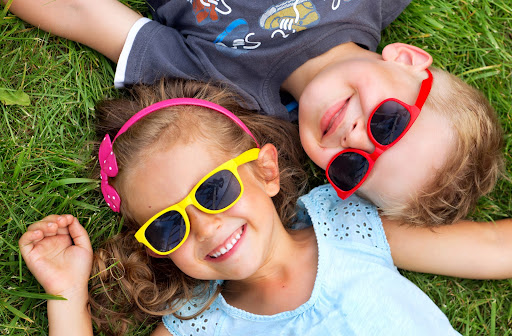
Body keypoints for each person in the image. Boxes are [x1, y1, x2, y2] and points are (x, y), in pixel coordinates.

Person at [18, 80, 512, 336]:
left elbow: (494, 247)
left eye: (212, 191)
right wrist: (67, 293)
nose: (206, 228)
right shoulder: (198, 323)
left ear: (266, 171)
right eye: (168, 227)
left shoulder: (345, 226)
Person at [3, 0, 504, 227]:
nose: (355, 138)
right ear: (409, 62)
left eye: (354, 167)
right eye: (387, 123)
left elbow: (86, 15)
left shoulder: (225, 94)